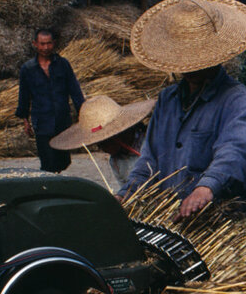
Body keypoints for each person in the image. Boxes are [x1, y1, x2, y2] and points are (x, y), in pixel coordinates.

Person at [117, 0, 246, 220]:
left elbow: (236, 152)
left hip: (218, 221)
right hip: (172, 217)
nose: (188, 67)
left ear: (216, 55)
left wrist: (206, 188)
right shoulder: (167, 100)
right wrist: (126, 193)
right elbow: (149, 160)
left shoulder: (237, 100)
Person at [15, 28, 85, 173]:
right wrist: (25, 120)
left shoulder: (63, 64)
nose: (46, 48)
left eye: (49, 43)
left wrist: (83, 112)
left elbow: (74, 90)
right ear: (35, 44)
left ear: (54, 43)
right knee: (47, 161)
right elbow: (24, 96)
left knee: (63, 161)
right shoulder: (28, 69)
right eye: (42, 44)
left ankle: (57, 178)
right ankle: (49, 182)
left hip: (62, 120)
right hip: (42, 122)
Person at [50, 95, 155, 186]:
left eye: (103, 142)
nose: (101, 148)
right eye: (98, 143)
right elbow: (127, 189)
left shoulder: (152, 145)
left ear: (116, 136)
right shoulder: (116, 162)